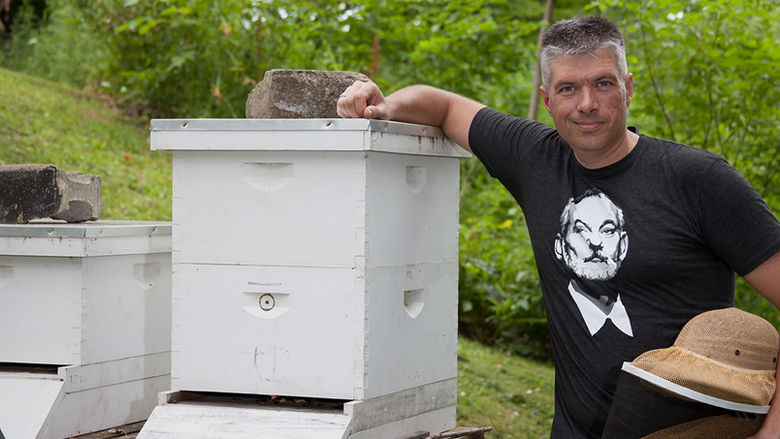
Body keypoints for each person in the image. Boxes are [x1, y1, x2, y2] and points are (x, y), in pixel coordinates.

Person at [336, 16, 780, 439]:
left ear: (628, 89)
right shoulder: (535, 159)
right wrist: (386, 104)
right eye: (569, 88)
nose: (586, 103)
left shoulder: (699, 180)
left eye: (603, 84)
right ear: (548, 101)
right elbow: (444, 104)